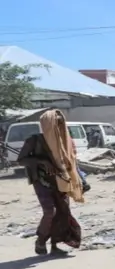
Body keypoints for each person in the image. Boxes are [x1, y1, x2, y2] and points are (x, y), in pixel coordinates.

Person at [17, 109, 84, 256]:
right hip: (42, 181)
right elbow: (21, 160)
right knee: (50, 211)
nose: (58, 127)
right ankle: (41, 241)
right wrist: (41, 161)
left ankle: (55, 245)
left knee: (63, 212)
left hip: (61, 180)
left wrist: (78, 179)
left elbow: (72, 162)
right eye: (55, 123)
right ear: (46, 125)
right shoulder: (35, 140)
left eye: (61, 123)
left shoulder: (66, 141)